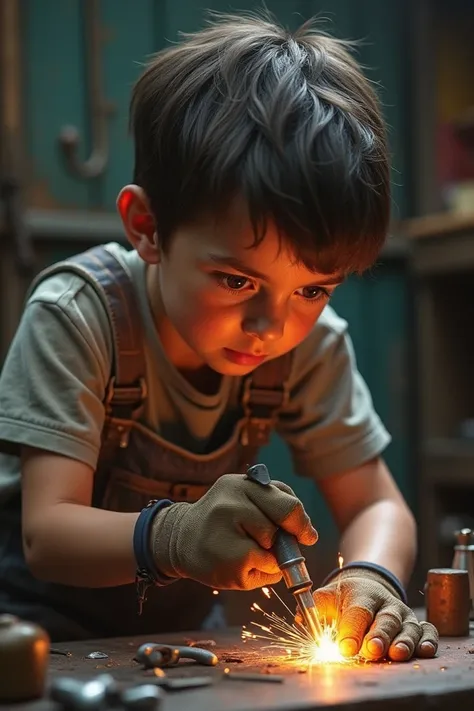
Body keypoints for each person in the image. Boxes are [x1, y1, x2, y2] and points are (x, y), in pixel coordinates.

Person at [0, 12, 438, 660]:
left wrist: (369, 576)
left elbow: (380, 504)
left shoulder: (307, 346)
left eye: (313, 289)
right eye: (236, 281)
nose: (272, 326)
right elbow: (48, 533)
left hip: (172, 647)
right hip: (30, 640)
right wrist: (176, 535)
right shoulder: (79, 315)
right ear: (147, 226)